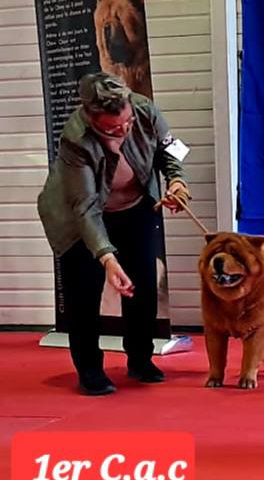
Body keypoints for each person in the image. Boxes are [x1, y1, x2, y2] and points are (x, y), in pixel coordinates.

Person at [37, 73, 191, 395]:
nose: (123, 130)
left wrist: (176, 181)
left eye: (127, 122)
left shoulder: (144, 110)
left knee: (144, 285)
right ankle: (90, 369)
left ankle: (140, 358)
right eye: (113, 128)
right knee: (84, 292)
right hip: (78, 217)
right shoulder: (75, 139)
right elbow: (84, 207)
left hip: (134, 205)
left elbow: (169, 150)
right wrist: (107, 257)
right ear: (93, 120)